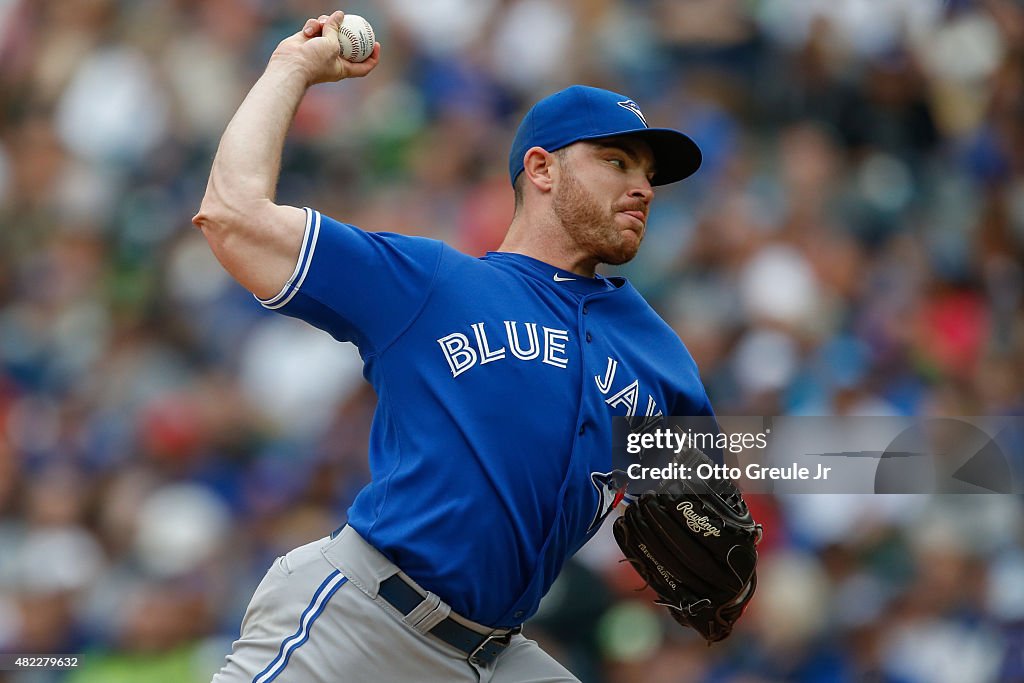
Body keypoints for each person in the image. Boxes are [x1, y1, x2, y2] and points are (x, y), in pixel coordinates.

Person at [194, 10, 713, 683]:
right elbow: (232, 216)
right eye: (616, 161)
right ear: (542, 169)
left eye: (648, 173)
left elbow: (710, 487)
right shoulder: (433, 285)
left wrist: (873, 461)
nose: (642, 186)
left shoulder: (654, 348)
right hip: (363, 621)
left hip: (495, 654)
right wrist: (290, 68)